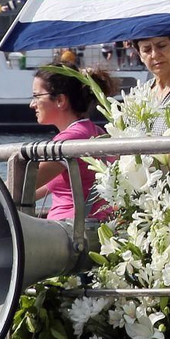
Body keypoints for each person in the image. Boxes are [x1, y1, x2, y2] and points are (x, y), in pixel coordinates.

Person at [29, 65, 116, 225]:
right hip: (93, 225)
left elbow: (26, 184)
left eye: (36, 96)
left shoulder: (70, 139)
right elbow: (40, 188)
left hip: (69, 232)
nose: (32, 104)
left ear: (60, 100)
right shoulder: (93, 130)